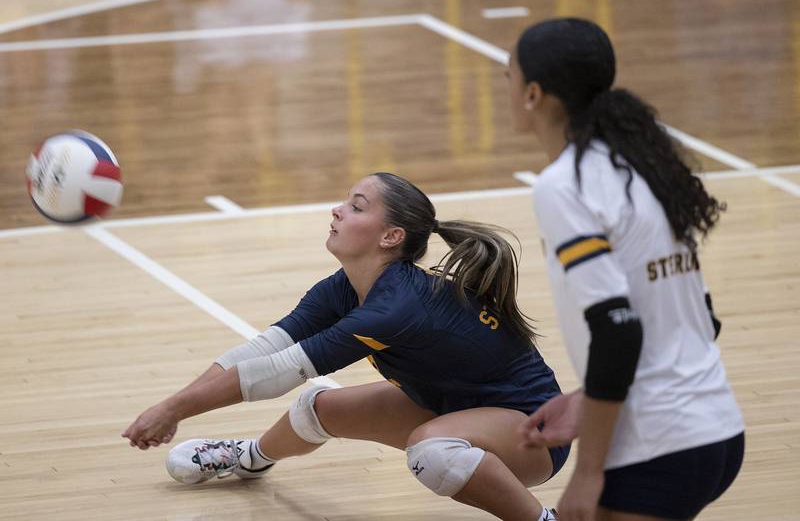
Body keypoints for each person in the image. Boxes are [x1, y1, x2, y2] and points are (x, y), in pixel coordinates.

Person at [123, 172, 569, 521]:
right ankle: (251, 459)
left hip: (532, 430)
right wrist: (174, 404)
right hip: (455, 405)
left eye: (356, 207)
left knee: (432, 452)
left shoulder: (396, 307)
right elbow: (262, 350)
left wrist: (174, 410)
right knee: (317, 408)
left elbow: (277, 373)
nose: (337, 210)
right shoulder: (345, 287)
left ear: (391, 236)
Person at [507, 18, 746, 521]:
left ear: (532, 94)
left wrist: (588, 470)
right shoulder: (643, 166)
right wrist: (585, 399)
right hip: (716, 430)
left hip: (655, 446)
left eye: (507, 77)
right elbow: (701, 315)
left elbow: (618, 328)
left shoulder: (563, 185)